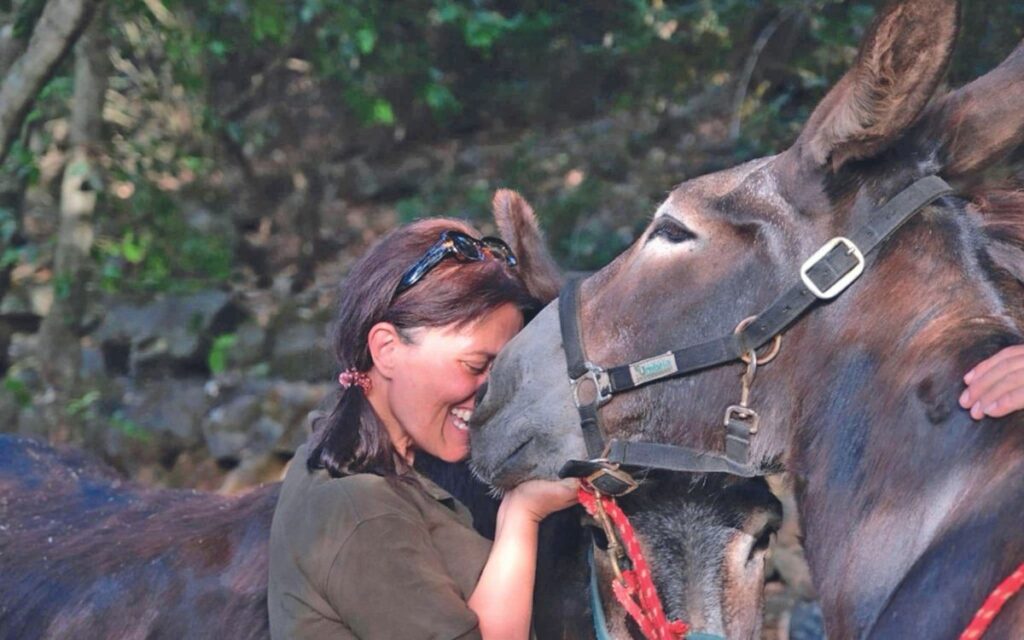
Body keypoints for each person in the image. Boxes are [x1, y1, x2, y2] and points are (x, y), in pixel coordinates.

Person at [268, 217, 577, 640]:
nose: (491, 393)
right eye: (475, 366)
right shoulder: (359, 510)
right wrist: (522, 515)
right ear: (387, 350)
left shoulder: (354, 461)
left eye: (501, 369)